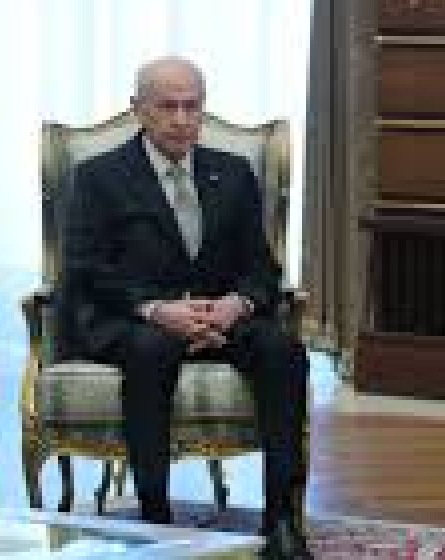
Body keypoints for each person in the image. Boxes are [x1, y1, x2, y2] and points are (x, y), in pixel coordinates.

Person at [62, 57, 312, 560]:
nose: (181, 119)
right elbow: (86, 268)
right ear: (139, 110)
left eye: (191, 106)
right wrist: (157, 310)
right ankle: (156, 522)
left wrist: (237, 304)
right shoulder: (99, 177)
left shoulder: (234, 173)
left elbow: (262, 267)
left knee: (282, 350)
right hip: (139, 320)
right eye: (167, 107)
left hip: (220, 318)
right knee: (150, 351)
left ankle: (281, 523)